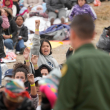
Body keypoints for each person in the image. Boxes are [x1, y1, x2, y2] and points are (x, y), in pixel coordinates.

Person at [54, 14, 110, 110]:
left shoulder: (73, 63)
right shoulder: (107, 60)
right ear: (93, 34)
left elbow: (64, 104)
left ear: (73, 34)